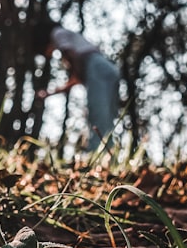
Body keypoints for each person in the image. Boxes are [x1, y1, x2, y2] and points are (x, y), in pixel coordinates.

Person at [32, 20, 121, 151]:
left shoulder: (58, 33)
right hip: (107, 69)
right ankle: (109, 154)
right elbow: (75, 80)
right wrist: (51, 93)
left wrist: (72, 69)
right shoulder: (78, 51)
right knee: (106, 115)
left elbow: (71, 56)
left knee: (98, 113)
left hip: (98, 67)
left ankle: (97, 153)